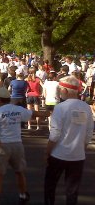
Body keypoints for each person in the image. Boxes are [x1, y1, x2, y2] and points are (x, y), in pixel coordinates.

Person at [0, 87, 49, 204]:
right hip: (17, 144)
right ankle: (22, 194)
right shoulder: (18, 109)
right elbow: (34, 113)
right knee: (19, 171)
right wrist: (49, 113)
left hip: (2, 145)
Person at [44, 76, 94, 205]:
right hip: (77, 156)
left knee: (50, 185)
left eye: (60, 89)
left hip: (58, 154)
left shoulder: (60, 107)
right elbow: (89, 133)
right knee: (72, 191)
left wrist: (48, 152)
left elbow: (55, 134)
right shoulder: (86, 107)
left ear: (65, 91)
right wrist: (81, 148)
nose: (59, 92)